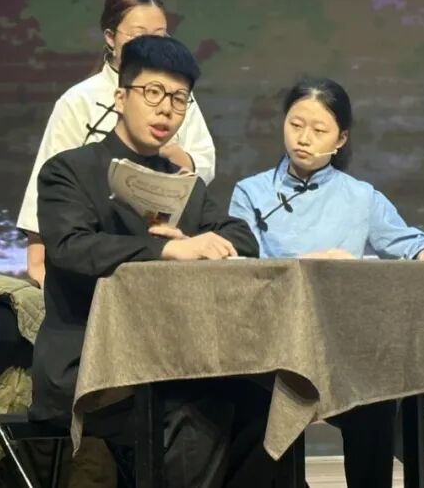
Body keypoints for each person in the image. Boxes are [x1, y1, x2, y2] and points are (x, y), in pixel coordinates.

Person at [30, 35, 262, 488]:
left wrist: (195, 240)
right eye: (153, 93)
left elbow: (242, 238)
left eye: (179, 99)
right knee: (196, 416)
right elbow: (71, 247)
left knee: (264, 404)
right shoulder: (69, 170)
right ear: (121, 98)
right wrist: (165, 251)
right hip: (91, 364)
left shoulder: (184, 184)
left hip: (171, 361)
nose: (166, 110)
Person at [229, 76, 424, 488]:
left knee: (376, 398)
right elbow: (242, 270)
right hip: (272, 347)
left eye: (318, 130)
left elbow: (410, 241)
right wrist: (312, 261)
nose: (303, 139)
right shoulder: (250, 193)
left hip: (340, 348)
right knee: (255, 403)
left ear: (341, 138)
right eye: (295, 125)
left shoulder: (360, 196)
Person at [17, 0, 216, 287]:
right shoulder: (79, 99)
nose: (165, 106)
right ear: (110, 37)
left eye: (160, 35)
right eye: (138, 35)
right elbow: (50, 175)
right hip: (97, 242)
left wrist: (164, 158)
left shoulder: (179, 98)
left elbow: (204, 162)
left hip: (162, 234)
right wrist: (37, 256)